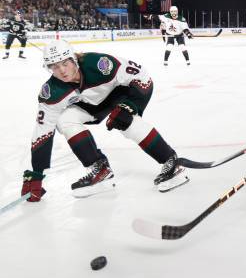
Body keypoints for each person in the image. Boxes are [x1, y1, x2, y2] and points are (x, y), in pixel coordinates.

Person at [21, 40, 189, 202]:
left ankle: (171, 162)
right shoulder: (51, 91)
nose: (62, 71)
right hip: (91, 106)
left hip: (120, 94)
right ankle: (100, 170)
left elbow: (143, 77)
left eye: (65, 63)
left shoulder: (100, 64)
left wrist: (132, 105)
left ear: (74, 59)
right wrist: (37, 172)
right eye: (55, 67)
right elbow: (43, 128)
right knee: (64, 119)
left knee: (124, 120)